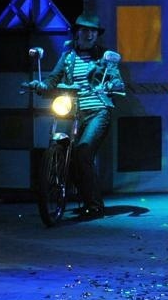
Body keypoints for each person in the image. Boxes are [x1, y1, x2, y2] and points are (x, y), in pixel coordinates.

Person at [27, 12, 124, 220]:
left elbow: (117, 80)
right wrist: (40, 85)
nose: (89, 34)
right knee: (67, 152)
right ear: (77, 32)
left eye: (93, 31)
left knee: (83, 152)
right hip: (73, 112)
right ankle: (72, 192)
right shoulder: (68, 56)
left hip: (98, 111)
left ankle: (95, 205)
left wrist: (112, 85)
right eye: (85, 30)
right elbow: (53, 79)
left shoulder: (105, 56)